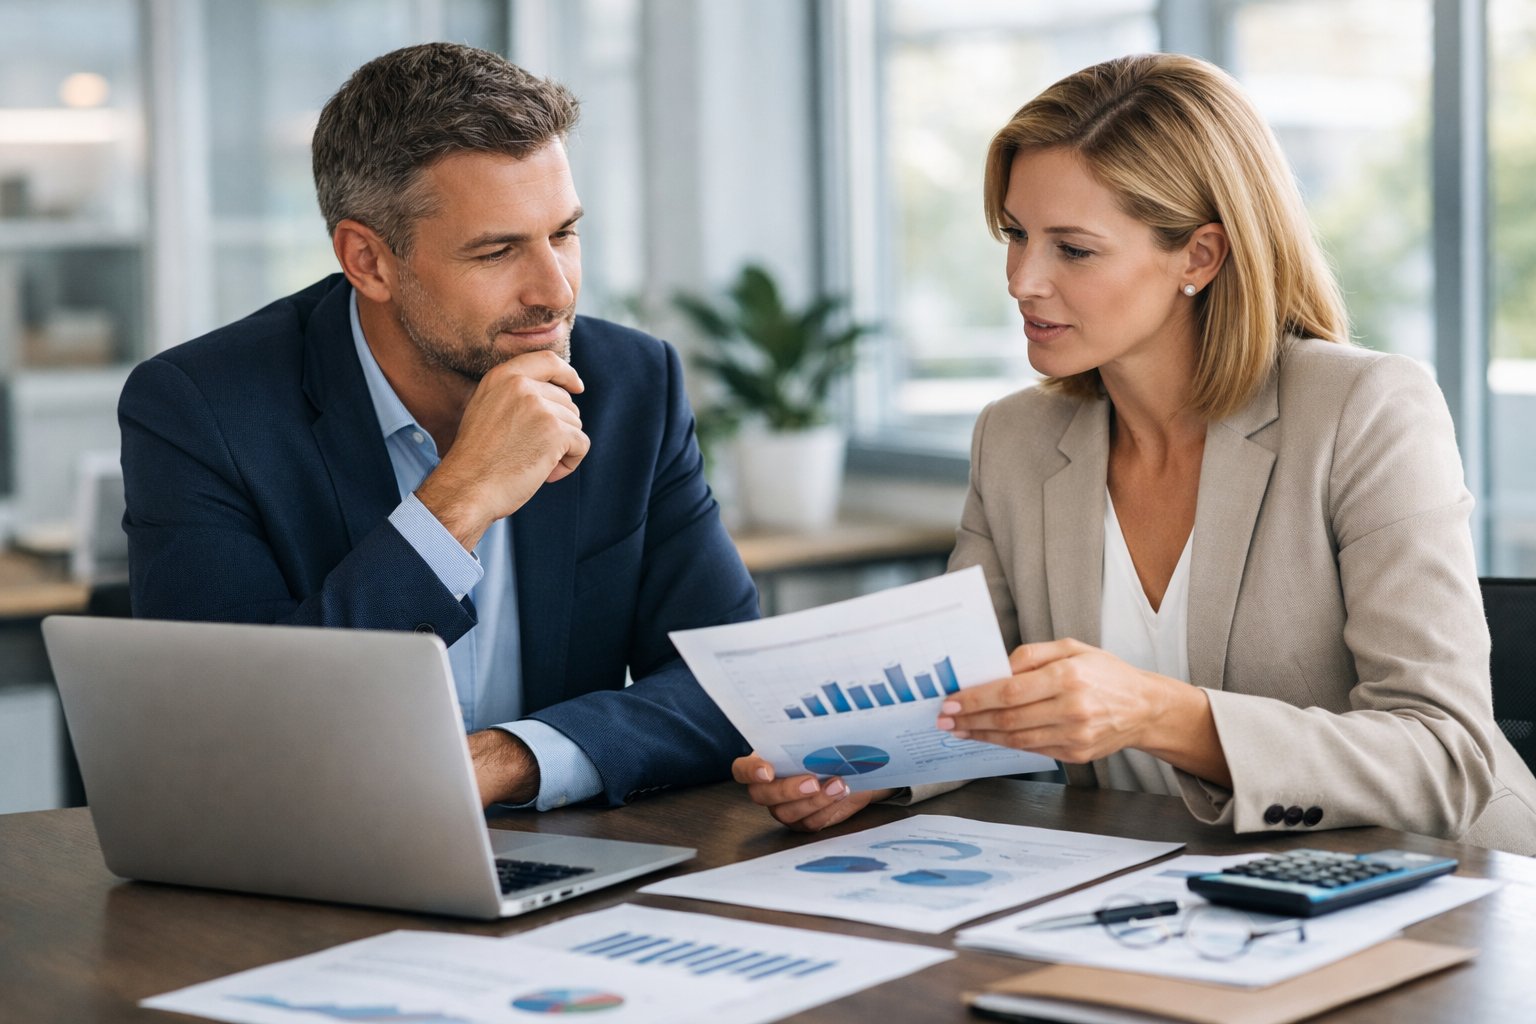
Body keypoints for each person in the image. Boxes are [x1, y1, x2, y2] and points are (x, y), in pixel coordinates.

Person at [734, 52, 1536, 854]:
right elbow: (972, 701)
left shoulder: (1364, 410)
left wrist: (1161, 714)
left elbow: (1445, 754)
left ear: (1200, 256)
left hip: (1437, 891)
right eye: (1016, 235)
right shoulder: (1015, 439)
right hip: (1160, 886)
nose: (1021, 279)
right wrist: (857, 770)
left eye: (1073, 249)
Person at [118, 42, 759, 812]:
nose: (555, 292)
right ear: (368, 261)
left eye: (562, 233)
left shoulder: (632, 384)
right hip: (306, 870)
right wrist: (456, 500)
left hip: (571, 867)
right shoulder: (202, 409)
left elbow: (729, 682)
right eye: (497, 250)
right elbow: (230, 736)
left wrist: (505, 762)